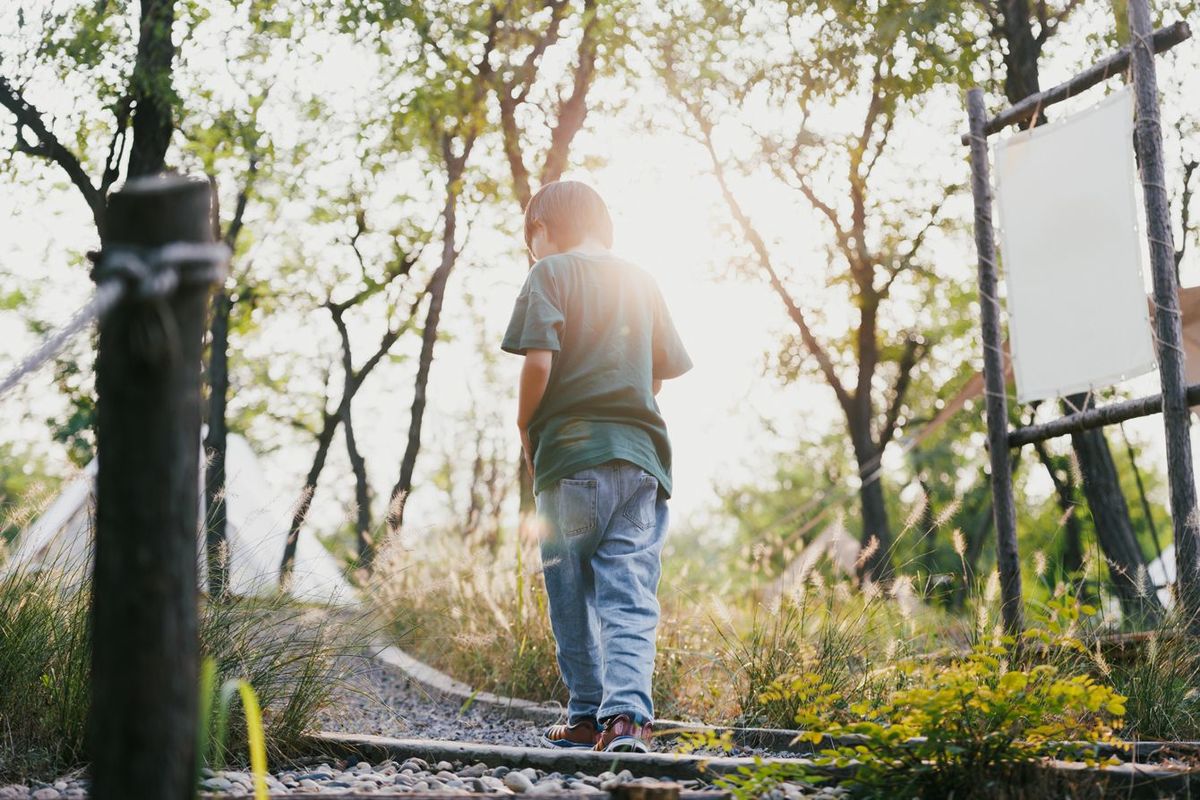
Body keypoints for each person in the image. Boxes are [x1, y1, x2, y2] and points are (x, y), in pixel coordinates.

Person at [501, 180, 692, 753]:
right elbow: (658, 375)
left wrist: (525, 426)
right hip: (641, 462)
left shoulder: (549, 273)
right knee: (630, 591)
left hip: (570, 459)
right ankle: (628, 718)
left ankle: (585, 713)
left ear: (542, 230)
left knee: (569, 589)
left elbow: (539, 363)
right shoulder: (642, 279)